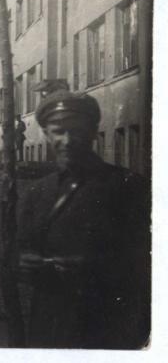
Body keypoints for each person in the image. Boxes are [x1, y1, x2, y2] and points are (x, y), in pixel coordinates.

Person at [17, 89, 150, 349]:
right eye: (58, 131)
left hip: (107, 327)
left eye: (77, 131)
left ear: (93, 132)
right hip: (48, 325)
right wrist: (24, 265)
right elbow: (21, 250)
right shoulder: (37, 193)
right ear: (46, 134)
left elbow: (148, 265)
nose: (67, 140)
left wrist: (91, 268)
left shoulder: (129, 187)